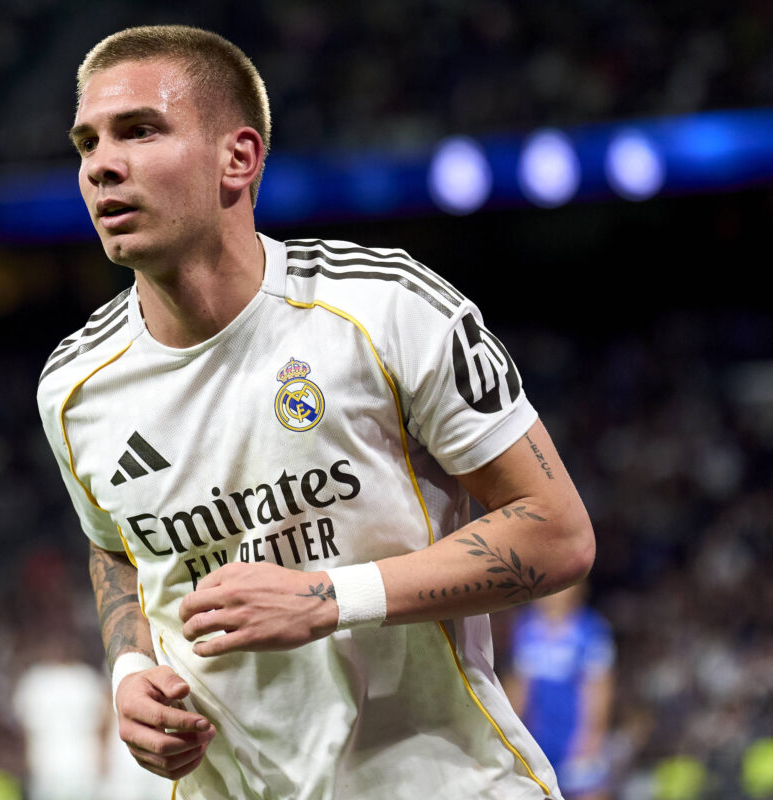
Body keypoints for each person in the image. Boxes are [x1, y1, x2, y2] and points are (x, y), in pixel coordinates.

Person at [36, 24, 596, 799]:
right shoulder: (73, 388)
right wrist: (130, 668)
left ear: (239, 158)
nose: (101, 164)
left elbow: (557, 533)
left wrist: (331, 599)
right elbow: (117, 551)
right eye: (87, 142)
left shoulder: (386, 308)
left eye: (139, 131)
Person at [505, 583, 616, 800]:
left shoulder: (591, 630)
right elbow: (518, 687)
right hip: (537, 738)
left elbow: (599, 689)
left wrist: (591, 736)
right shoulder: (525, 628)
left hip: (576, 739)